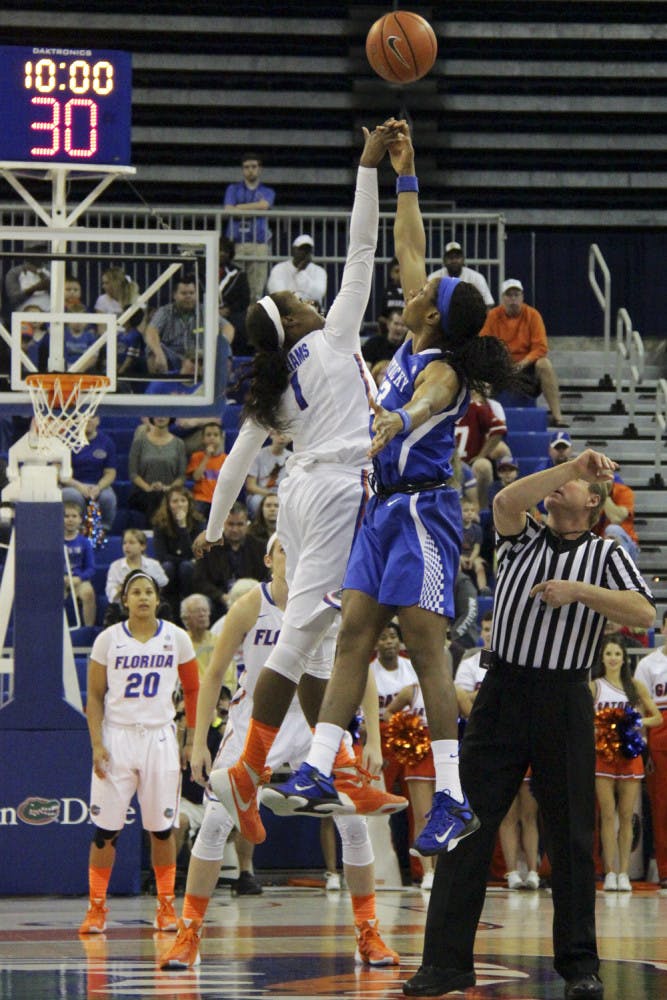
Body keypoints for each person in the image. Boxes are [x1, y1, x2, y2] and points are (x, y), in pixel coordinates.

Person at [264, 119, 518, 855]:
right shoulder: (419, 331)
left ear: (431, 311)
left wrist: (396, 416)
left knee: (426, 648)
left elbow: (432, 398)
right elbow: (409, 243)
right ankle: (316, 768)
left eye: (422, 289)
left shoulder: (445, 366)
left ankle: (451, 798)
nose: (409, 284)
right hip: (382, 508)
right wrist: (403, 172)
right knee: (351, 635)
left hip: (421, 513)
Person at [196, 123, 407, 847]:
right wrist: (366, 168)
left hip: (297, 491)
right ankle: (248, 767)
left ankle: (337, 767)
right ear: (293, 320)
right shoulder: (334, 336)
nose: (310, 301)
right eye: (296, 300)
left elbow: (233, 464)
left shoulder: (270, 389)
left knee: (324, 638)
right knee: (307, 633)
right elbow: (360, 249)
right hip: (339, 487)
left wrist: (213, 522)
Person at [403, 447, 655, 1000]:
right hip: (502, 693)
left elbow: (644, 612)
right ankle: (445, 964)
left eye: (575, 482)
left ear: (594, 502)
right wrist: (570, 468)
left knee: (570, 838)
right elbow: (504, 498)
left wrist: (577, 593)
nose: (560, 483)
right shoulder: (525, 534)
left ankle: (580, 966)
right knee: (465, 826)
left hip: (564, 698)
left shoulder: (606, 553)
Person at [160, 535, 399, 970]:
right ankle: (188, 932)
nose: (295, 554)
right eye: (284, 547)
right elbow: (213, 673)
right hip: (256, 720)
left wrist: (374, 739)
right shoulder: (252, 603)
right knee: (215, 823)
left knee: (353, 823)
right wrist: (198, 742)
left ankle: (368, 932)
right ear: (269, 558)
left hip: (316, 720)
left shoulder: (334, 598)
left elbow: (358, 669)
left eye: (301, 547)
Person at [78, 568, 200, 934]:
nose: (143, 597)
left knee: (162, 829)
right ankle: (96, 909)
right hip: (117, 738)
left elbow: (193, 691)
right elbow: (95, 697)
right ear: (124, 599)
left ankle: (165, 907)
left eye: (149, 591)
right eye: (136, 592)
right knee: (106, 830)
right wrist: (97, 743)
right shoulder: (108, 640)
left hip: (160, 738)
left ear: (157, 599)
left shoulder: (177, 638)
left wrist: (191, 739)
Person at [591, 633, 661, 893]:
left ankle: (624, 873)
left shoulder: (634, 686)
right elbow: (586, 720)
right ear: (602, 657)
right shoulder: (594, 686)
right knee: (607, 816)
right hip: (603, 757)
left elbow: (657, 718)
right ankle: (610, 872)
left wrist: (634, 724)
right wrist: (601, 730)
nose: (613, 658)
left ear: (624, 658)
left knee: (625, 815)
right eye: (608, 653)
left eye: (617, 654)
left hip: (630, 757)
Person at [481, 278, 569, 428]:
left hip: (526, 369)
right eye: (509, 295)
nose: (513, 299)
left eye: (516, 295)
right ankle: (482, 416)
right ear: (502, 298)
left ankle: (557, 416)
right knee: (481, 364)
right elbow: (483, 343)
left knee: (544, 364)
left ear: (522, 297)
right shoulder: (493, 316)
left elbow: (541, 348)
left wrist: (522, 364)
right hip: (500, 367)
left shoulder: (533, 315)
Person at [144, 274, 234, 375]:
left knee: (225, 348)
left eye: (192, 293)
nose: (188, 296)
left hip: (200, 357)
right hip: (173, 358)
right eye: (184, 293)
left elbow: (228, 327)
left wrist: (219, 347)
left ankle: (222, 387)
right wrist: (159, 353)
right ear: (174, 295)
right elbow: (151, 331)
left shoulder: (205, 311)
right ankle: (158, 385)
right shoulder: (164, 312)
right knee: (151, 349)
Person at [635, 611, 667, 890]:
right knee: (661, 805)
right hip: (659, 736)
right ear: (663, 629)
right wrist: (644, 751)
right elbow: (640, 711)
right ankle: (665, 869)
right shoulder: (648, 664)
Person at [191, 502, 267, 621]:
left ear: (247, 525)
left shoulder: (260, 547)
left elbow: (266, 577)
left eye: (240, 524)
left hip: (252, 596)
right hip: (218, 600)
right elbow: (199, 580)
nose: (235, 529)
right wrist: (222, 597)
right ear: (223, 524)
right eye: (230, 524)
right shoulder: (208, 546)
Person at [223, 152, 276, 302]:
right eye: (246, 167)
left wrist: (239, 207)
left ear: (260, 169)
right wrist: (254, 208)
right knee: (234, 284)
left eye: (254, 166)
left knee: (257, 289)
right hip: (236, 243)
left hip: (258, 244)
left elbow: (264, 205)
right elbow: (228, 209)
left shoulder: (267, 191)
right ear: (242, 169)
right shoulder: (233, 189)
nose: (250, 170)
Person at [152, 485, 204, 619]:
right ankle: (168, 608)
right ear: (168, 505)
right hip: (170, 568)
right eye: (175, 501)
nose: (179, 504)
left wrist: (183, 526)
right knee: (168, 567)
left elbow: (194, 553)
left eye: (183, 500)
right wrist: (181, 560)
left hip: (189, 570)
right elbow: (161, 556)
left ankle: (188, 604)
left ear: (189, 503)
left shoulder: (198, 522)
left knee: (186, 567)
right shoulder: (159, 523)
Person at [60, 415, 118, 533]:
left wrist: (98, 487)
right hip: (72, 484)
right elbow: (58, 471)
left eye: (92, 417)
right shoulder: (67, 440)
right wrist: (79, 486)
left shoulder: (106, 442)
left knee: (108, 498)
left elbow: (110, 473)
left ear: (98, 420)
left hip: (97, 484)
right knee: (72, 496)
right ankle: (79, 528)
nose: (88, 420)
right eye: (84, 417)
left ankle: (102, 530)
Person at [455, 389, 510, 509]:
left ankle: (479, 509)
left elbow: (499, 429)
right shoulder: (441, 407)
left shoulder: (476, 408)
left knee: (483, 466)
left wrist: (481, 455)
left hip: (470, 461)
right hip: (446, 463)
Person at [128, 416, 187, 523]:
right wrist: (148, 488)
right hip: (143, 491)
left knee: (165, 497)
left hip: (170, 491)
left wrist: (168, 488)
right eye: (157, 414)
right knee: (154, 497)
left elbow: (181, 476)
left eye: (164, 414)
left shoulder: (179, 444)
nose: (161, 417)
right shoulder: (139, 442)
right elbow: (133, 473)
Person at [104, 528, 168, 607]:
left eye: (131, 543)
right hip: (124, 607)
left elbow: (163, 583)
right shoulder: (115, 566)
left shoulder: (153, 564)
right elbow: (111, 594)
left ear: (142, 546)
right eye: (124, 543)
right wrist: (120, 589)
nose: (126, 546)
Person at [266, 234, 328, 310]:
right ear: (293, 250)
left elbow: (318, 294)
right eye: (301, 249)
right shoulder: (279, 269)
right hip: (286, 311)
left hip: (310, 311)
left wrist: (301, 272)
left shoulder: (319, 271)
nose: (304, 253)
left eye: (307, 250)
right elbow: (278, 295)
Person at [429, 242, 494, 310]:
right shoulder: (434, 278)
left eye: (457, 257)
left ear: (463, 259)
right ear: (444, 260)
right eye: (450, 258)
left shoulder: (476, 277)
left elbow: (488, 303)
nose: (454, 261)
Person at [64, 501, 96, 627]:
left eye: (74, 516)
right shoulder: (55, 541)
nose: (70, 520)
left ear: (80, 520)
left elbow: (91, 568)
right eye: (66, 516)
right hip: (60, 579)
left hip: (79, 579)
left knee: (88, 593)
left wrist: (80, 578)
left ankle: (89, 629)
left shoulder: (85, 542)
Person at [185, 423, 228, 520]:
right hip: (201, 498)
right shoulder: (197, 456)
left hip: (220, 499)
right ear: (203, 439)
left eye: (216, 435)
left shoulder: (227, 459)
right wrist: (207, 457)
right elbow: (196, 477)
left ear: (221, 438)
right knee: (194, 515)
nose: (212, 438)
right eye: (208, 435)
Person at [593, 477, 640, 562]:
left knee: (613, 529)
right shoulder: (590, 494)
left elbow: (616, 519)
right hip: (599, 545)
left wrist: (604, 495)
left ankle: (621, 571)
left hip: (628, 546)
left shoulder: (624, 491)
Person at [243, 431, 290, 517]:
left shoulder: (292, 458)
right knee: (256, 502)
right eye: (279, 433)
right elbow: (250, 486)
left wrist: (280, 496)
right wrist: (271, 494)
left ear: (291, 438)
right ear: (271, 434)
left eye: (286, 434)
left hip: (282, 494)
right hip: (261, 493)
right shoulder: (258, 455)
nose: (282, 437)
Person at [218, 236, 251, 354]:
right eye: (219, 249)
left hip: (230, 314)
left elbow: (244, 300)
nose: (221, 253)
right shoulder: (200, 271)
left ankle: (237, 356)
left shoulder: (239, 274)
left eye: (225, 251)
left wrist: (229, 309)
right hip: (204, 313)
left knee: (241, 323)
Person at [460, 498, 490, 595]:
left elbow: (477, 549)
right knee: (457, 567)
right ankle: (456, 588)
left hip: (473, 555)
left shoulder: (477, 529)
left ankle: (483, 589)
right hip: (459, 555)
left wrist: (471, 559)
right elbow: (454, 547)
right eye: (466, 510)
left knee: (479, 567)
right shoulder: (456, 528)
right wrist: (461, 558)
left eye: (472, 511)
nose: (469, 513)